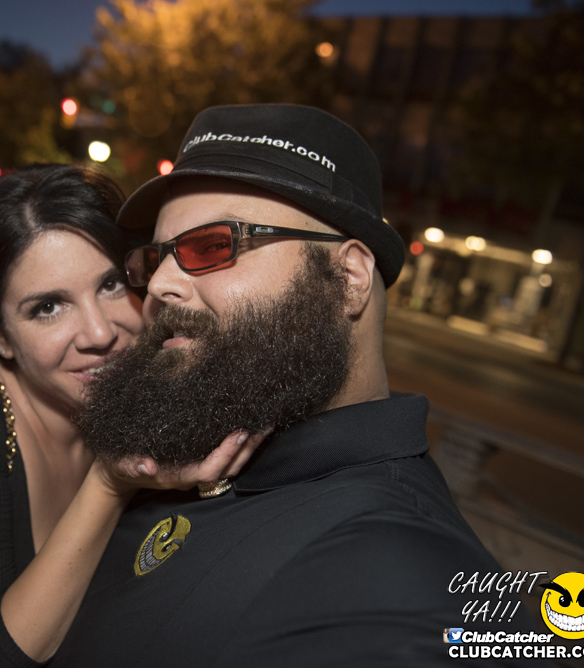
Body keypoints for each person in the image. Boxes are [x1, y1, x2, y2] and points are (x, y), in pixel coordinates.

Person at [52, 105, 533, 667]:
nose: (158, 285)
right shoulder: (196, 442)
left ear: (349, 278)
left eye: (213, 245)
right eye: (155, 258)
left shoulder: (400, 566)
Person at [0, 164, 263, 667]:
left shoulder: (143, 404)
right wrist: (109, 483)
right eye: (48, 308)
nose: (99, 333)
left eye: (111, 285)